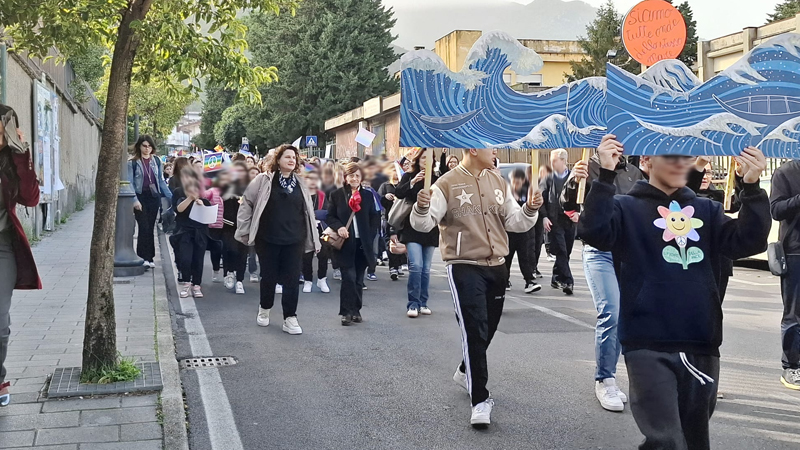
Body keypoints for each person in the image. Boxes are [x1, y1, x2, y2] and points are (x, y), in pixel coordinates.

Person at [578, 135, 770, 450]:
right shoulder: (625, 207)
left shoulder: (706, 209)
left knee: (694, 439)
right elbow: (593, 231)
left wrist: (750, 185)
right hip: (646, 343)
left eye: (685, 155)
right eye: (669, 154)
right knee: (665, 439)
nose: (680, 161)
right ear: (646, 161)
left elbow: (748, 241)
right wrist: (606, 176)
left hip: (700, 343)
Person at [411, 148, 542, 427]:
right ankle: (480, 400)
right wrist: (421, 206)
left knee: (489, 328)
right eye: (490, 146)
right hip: (463, 265)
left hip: (497, 266)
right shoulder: (444, 184)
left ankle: (464, 370)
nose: (494, 151)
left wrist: (530, 208)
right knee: (475, 328)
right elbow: (423, 224)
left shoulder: (498, 181)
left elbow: (515, 222)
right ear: (473, 149)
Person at [561, 148, 644, 412]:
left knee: (633, 316)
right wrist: (574, 180)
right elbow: (568, 205)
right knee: (612, 311)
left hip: (630, 251)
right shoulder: (587, 168)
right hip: (599, 252)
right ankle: (605, 379)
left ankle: (640, 378)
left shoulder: (634, 172)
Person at [236, 144, 320, 335]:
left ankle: (290, 317)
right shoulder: (263, 180)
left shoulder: (301, 182)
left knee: (291, 279)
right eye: (287, 157)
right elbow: (246, 203)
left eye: (294, 157)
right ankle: (264, 309)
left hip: (295, 238)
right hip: (268, 238)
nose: (292, 160)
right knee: (269, 277)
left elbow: (307, 210)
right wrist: (245, 229)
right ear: (278, 160)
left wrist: (313, 237)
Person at [0, 108, 40, 407]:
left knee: (0, 319)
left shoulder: (13, 162)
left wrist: (22, 156)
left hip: (3, 246)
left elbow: (30, 198)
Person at [327, 162, 381, 326]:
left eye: (357, 175)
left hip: (362, 244)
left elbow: (374, 217)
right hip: (345, 244)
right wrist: (340, 227)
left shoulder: (368, 195)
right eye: (351, 175)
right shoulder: (337, 195)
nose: (354, 178)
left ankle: (356, 310)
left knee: (358, 279)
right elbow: (330, 216)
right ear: (345, 177)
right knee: (348, 278)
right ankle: (346, 312)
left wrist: (370, 235)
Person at [395, 150, 440, 317]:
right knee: (416, 266)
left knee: (426, 269)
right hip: (411, 228)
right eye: (423, 158)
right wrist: (413, 181)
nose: (426, 161)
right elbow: (399, 193)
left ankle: (423, 302)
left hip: (430, 228)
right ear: (418, 160)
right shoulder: (409, 176)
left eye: (430, 159)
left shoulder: (436, 180)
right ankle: (412, 303)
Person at [770, 158, 800, 390]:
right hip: (795, 252)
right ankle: (791, 366)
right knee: (794, 314)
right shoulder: (786, 172)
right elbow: (776, 210)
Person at [128, 135, 172, 268]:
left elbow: (160, 181)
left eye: (149, 146)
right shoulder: (132, 163)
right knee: (143, 227)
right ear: (139, 146)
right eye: (144, 146)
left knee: (151, 227)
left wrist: (171, 197)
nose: (147, 149)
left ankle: (150, 258)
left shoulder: (157, 161)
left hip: (154, 197)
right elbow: (129, 183)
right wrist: (134, 200)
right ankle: (142, 257)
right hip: (141, 197)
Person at [540, 149, 576, 295]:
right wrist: (544, 216)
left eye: (554, 160)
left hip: (570, 220)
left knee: (566, 251)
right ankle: (568, 281)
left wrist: (579, 213)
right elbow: (541, 198)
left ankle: (556, 277)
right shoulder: (548, 178)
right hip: (555, 220)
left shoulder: (574, 177)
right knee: (561, 249)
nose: (551, 163)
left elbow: (583, 196)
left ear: (563, 160)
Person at [172, 167, 211, 298]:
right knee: (185, 258)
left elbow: (209, 215)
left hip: (200, 232)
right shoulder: (178, 192)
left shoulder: (203, 194)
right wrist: (190, 198)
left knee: (198, 259)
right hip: (184, 232)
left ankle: (196, 285)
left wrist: (202, 204)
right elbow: (178, 209)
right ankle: (186, 283)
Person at [505, 168, 542, 294]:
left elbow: (535, 211)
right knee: (506, 258)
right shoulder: (507, 194)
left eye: (518, 181)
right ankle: (505, 280)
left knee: (525, 257)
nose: (515, 184)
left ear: (522, 181)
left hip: (525, 232)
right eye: (513, 181)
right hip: (509, 232)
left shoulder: (528, 194)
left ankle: (529, 280)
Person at [301, 169, 331, 294]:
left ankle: (322, 279)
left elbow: (328, 212)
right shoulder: (302, 194)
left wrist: (317, 214)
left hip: (321, 228)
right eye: (310, 178)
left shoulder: (323, 196)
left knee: (323, 253)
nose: (313, 182)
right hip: (305, 227)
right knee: (306, 254)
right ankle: (308, 280)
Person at [222, 162, 249, 294]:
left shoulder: (248, 189)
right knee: (230, 250)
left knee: (242, 253)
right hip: (228, 226)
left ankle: (240, 280)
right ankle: (229, 272)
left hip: (244, 226)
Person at [379, 167, 406, 280]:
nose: (396, 173)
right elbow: (378, 200)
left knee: (401, 241)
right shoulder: (385, 186)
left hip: (402, 218)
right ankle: (393, 267)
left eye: (398, 171)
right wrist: (385, 197)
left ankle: (399, 264)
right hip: (389, 217)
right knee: (391, 241)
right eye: (393, 171)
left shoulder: (402, 186)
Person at [205, 173, 226, 283]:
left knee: (225, 249)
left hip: (227, 226)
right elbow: (202, 196)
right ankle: (216, 270)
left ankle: (228, 272)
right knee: (215, 250)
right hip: (214, 226)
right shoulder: (213, 191)